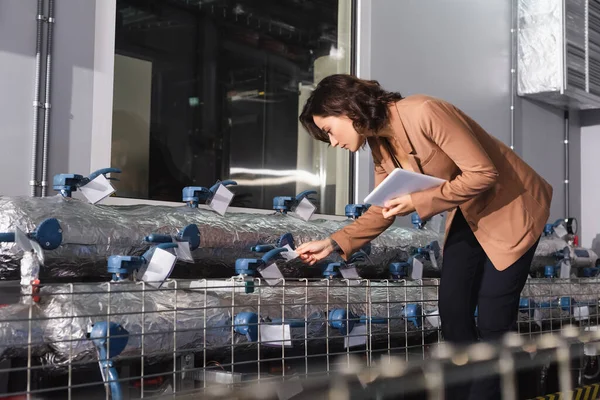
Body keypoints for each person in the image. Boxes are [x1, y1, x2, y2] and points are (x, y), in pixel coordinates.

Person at [295, 74, 552, 400]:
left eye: (329, 131)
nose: (333, 143)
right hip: (468, 211)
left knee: (493, 321)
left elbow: (484, 173)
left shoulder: (424, 111)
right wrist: (333, 243)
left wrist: (418, 201)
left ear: (348, 109)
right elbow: (382, 208)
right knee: (453, 312)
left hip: (511, 209)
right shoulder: (380, 142)